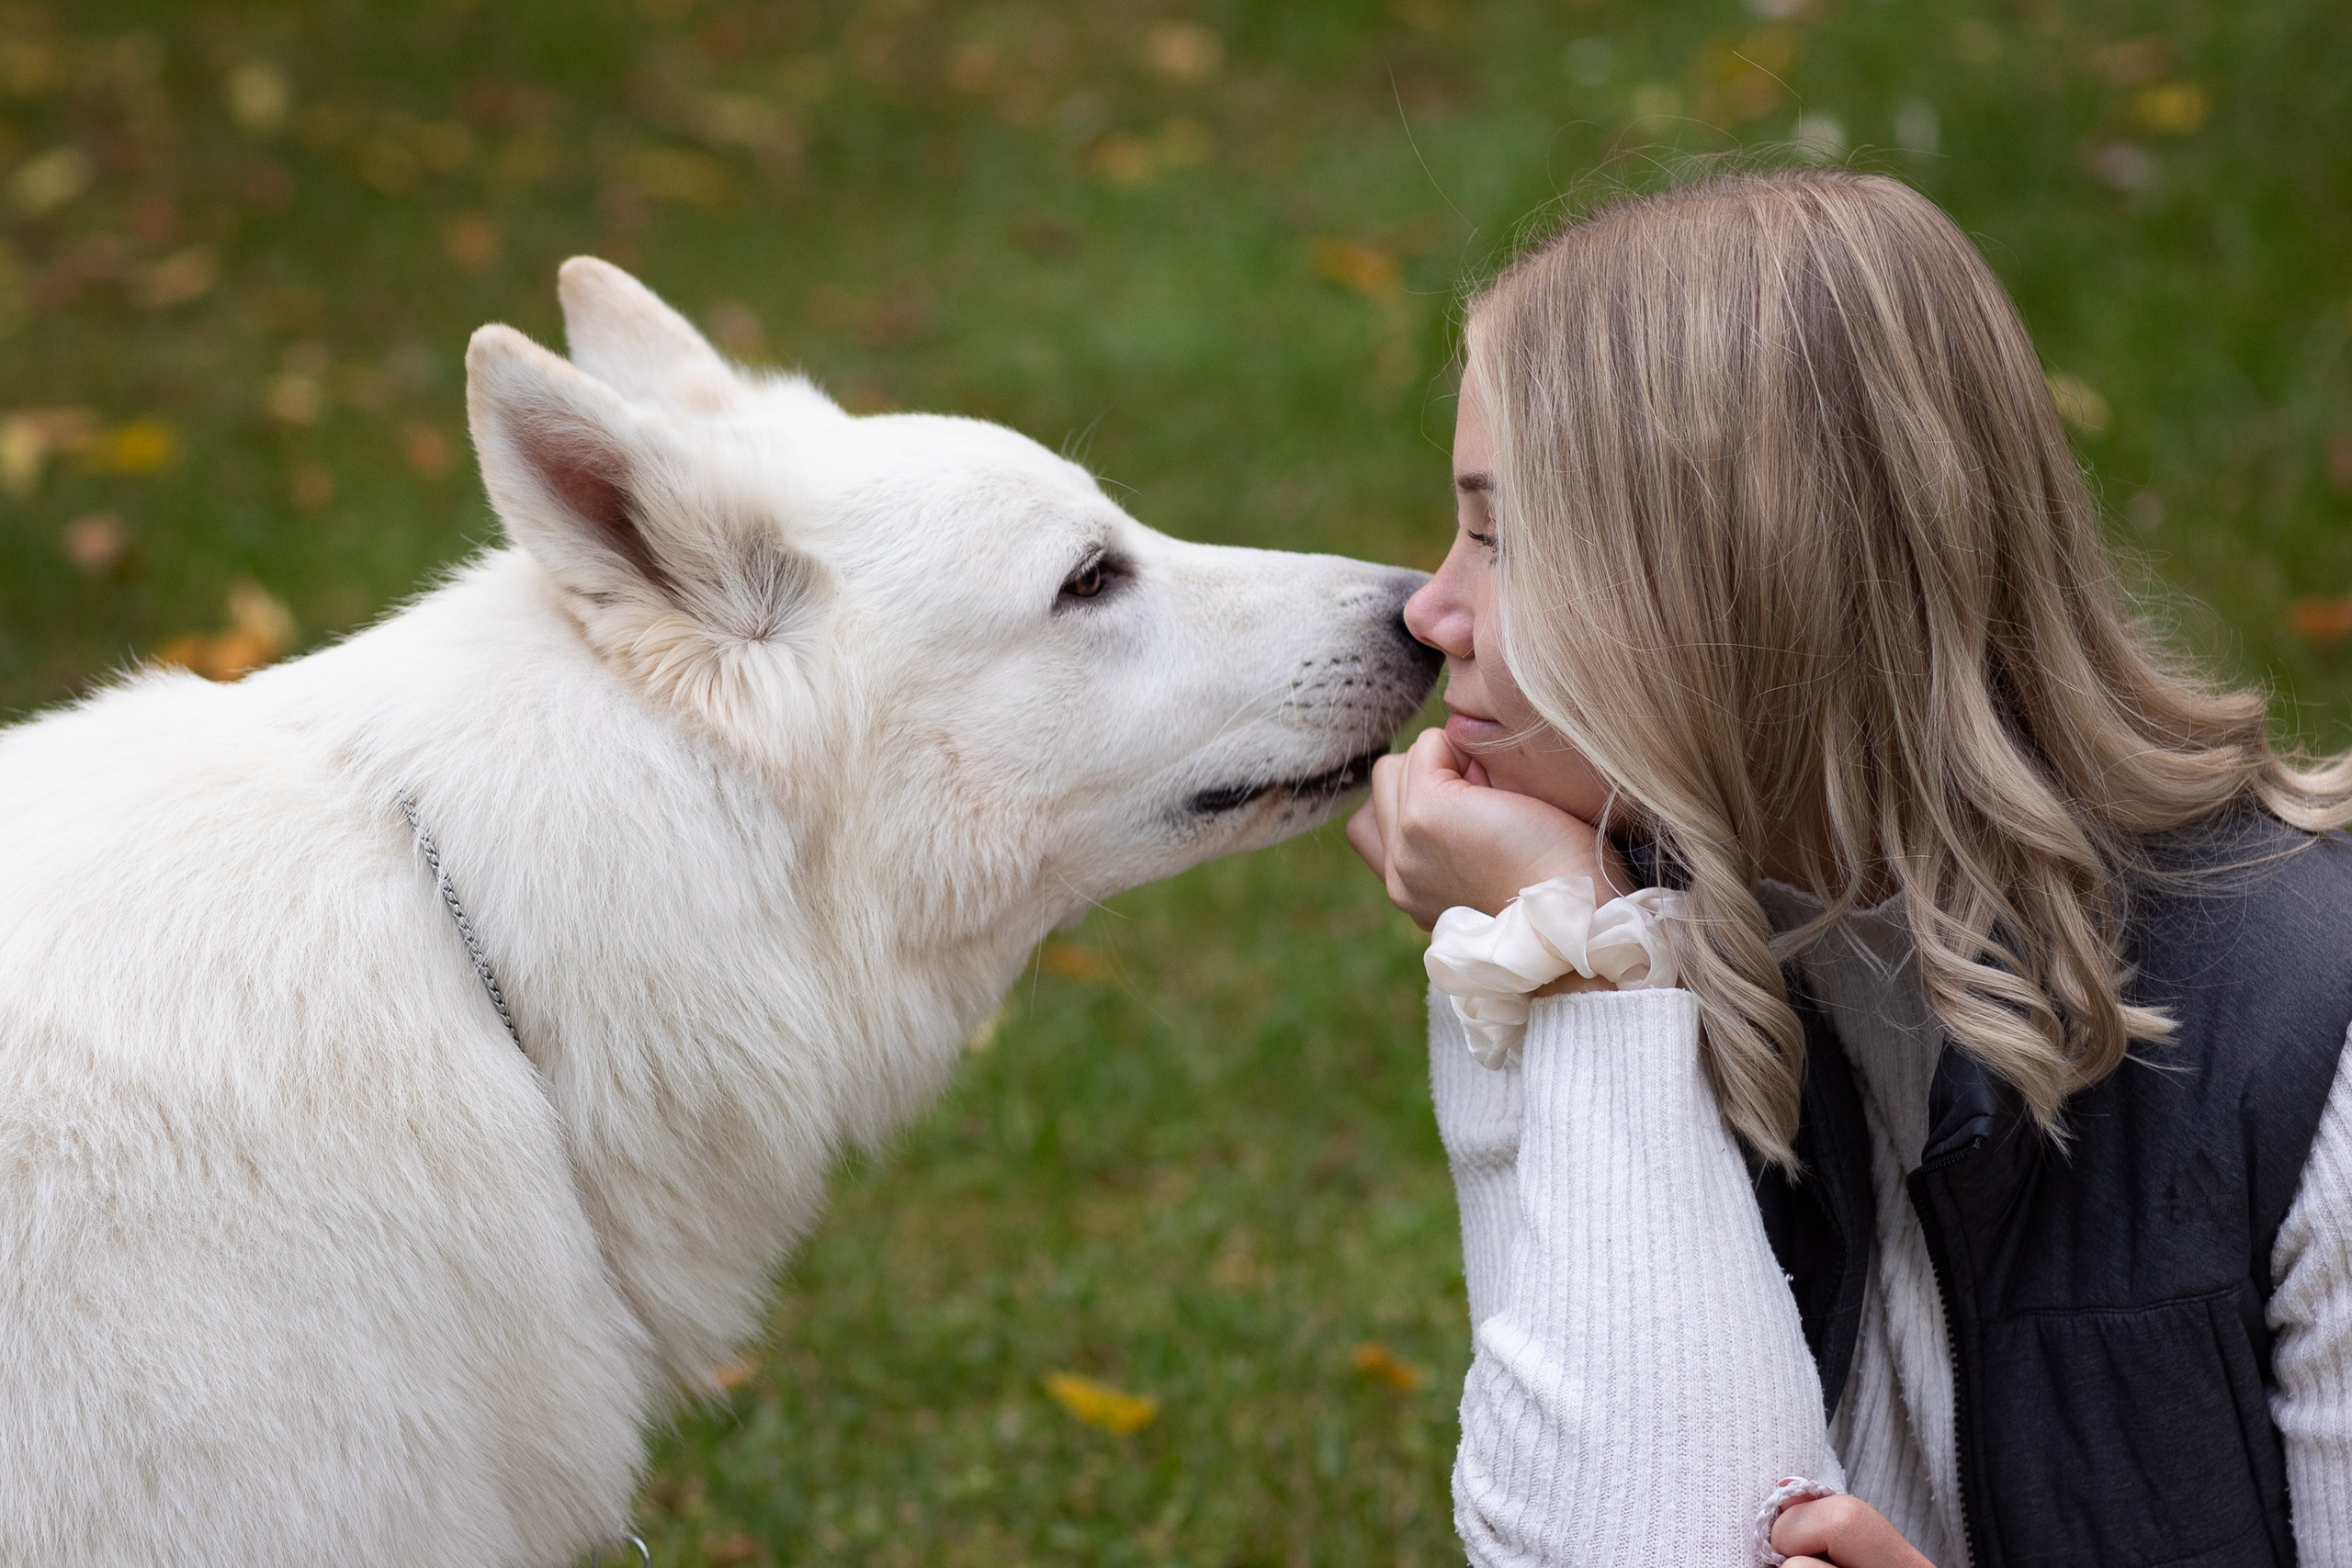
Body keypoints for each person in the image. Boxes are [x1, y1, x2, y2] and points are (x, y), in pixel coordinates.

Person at [1346, 169, 2352, 1568]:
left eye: (1503, 538)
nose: (1429, 608)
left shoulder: (2313, 1036)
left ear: (1742, 584)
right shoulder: (1612, 923)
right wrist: (1569, 967)